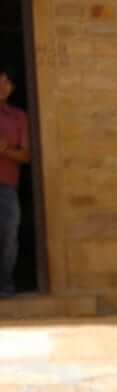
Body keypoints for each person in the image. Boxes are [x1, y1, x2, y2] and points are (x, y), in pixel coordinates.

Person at [0, 64, 30, 298]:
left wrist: (4, 149)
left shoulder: (19, 117)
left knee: (8, 236)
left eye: (7, 82)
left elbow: (26, 156)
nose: (2, 86)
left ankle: (5, 285)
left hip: (7, 187)